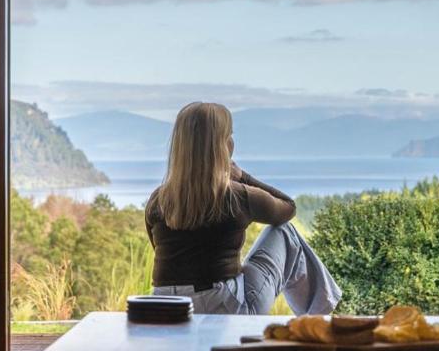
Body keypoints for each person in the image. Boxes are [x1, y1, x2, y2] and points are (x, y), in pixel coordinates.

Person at [145, 102, 342, 315]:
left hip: (166, 307)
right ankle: (317, 317)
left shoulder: (158, 200)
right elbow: (288, 208)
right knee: (284, 232)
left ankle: (317, 315)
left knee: (240, 271)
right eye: (228, 135)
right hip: (224, 309)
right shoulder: (236, 196)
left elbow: (162, 251)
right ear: (223, 145)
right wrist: (243, 177)